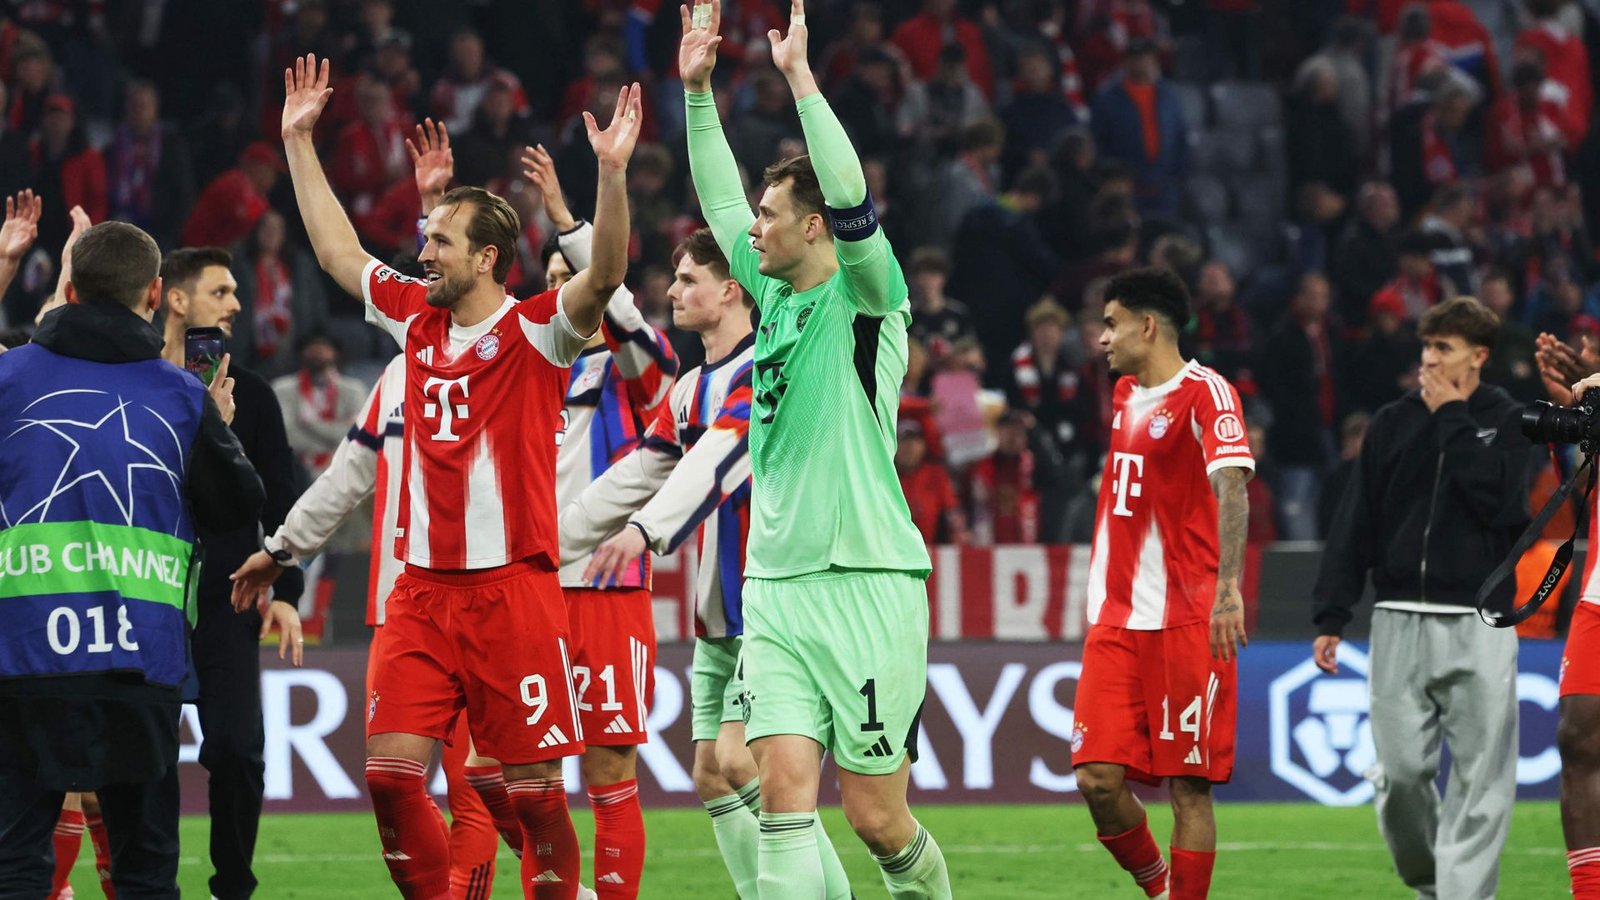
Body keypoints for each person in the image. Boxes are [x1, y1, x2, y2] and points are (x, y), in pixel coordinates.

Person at [279, 53, 639, 897]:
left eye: (439, 241)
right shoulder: (412, 317)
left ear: (487, 259)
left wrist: (611, 176)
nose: (422, 251)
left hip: (513, 594)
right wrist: (300, 142)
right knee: (392, 777)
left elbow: (610, 275)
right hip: (421, 596)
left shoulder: (539, 333)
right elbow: (337, 251)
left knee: (534, 796)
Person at [681, 2, 952, 896]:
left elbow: (850, 196)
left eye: (771, 217)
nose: (751, 231)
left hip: (868, 582)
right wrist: (697, 94)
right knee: (783, 792)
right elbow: (720, 199)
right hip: (778, 589)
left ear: (814, 229)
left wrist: (800, 80)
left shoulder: (868, 296)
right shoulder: (776, 296)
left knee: (875, 816)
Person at [565, 227, 858, 898]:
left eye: (688, 279)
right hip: (718, 613)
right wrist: (551, 540)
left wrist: (644, 531)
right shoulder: (688, 387)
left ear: (730, 292)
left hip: (773, 604)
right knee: (708, 771)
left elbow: (717, 459)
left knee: (739, 759)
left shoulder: (764, 370)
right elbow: (642, 469)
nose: (672, 290)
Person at [0, 220, 264, 898]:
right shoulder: (181, 395)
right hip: (139, 660)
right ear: (154, 292)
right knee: (146, 869)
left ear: (68, 289)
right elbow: (238, 504)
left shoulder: (8, 378)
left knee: (15, 865)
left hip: (24, 654)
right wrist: (217, 429)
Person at [1313, 297, 1530, 900]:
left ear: (1479, 356)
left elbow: (1498, 502)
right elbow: (1356, 521)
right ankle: (1431, 882)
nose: (1428, 361)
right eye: (1426, 348)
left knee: (1483, 780)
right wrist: (1332, 612)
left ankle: (1465, 896)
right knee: (1402, 775)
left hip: (1480, 620)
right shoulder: (1392, 421)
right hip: (1400, 616)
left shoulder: (1511, 421)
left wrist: (1455, 417)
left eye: (1444, 349)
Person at [522, 143, 678, 899]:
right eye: (552, 284)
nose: (565, 296)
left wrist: (567, 224)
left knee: (610, 769)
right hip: (526, 594)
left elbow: (624, 314)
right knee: (530, 775)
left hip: (607, 593)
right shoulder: (516, 373)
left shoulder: (639, 382)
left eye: (574, 282)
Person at [1072, 267, 1253, 900]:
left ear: (1148, 326)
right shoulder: (1123, 396)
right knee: (1096, 778)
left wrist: (1228, 589)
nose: (1102, 338)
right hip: (1118, 619)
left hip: (1187, 617)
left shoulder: (1208, 393)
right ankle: (1160, 888)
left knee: (1188, 786)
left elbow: (1233, 484)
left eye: (1111, 324)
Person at [157, 246, 306, 900]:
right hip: (147, 596)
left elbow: (283, 500)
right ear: (176, 299)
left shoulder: (255, 396)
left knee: (238, 752)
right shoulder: (137, 386)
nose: (237, 304)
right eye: (220, 291)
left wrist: (288, 592)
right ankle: (151, 883)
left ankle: (234, 889)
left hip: (229, 600)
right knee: (149, 759)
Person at [271, 333, 367, 479]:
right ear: (302, 351)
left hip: (342, 471)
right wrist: (335, 435)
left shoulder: (354, 390)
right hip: (295, 470)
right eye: (313, 346)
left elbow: (358, 436)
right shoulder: (282, 388)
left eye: (324, 346)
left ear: (336, 353)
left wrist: (308, 424)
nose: (318, 350)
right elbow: (285, 435)